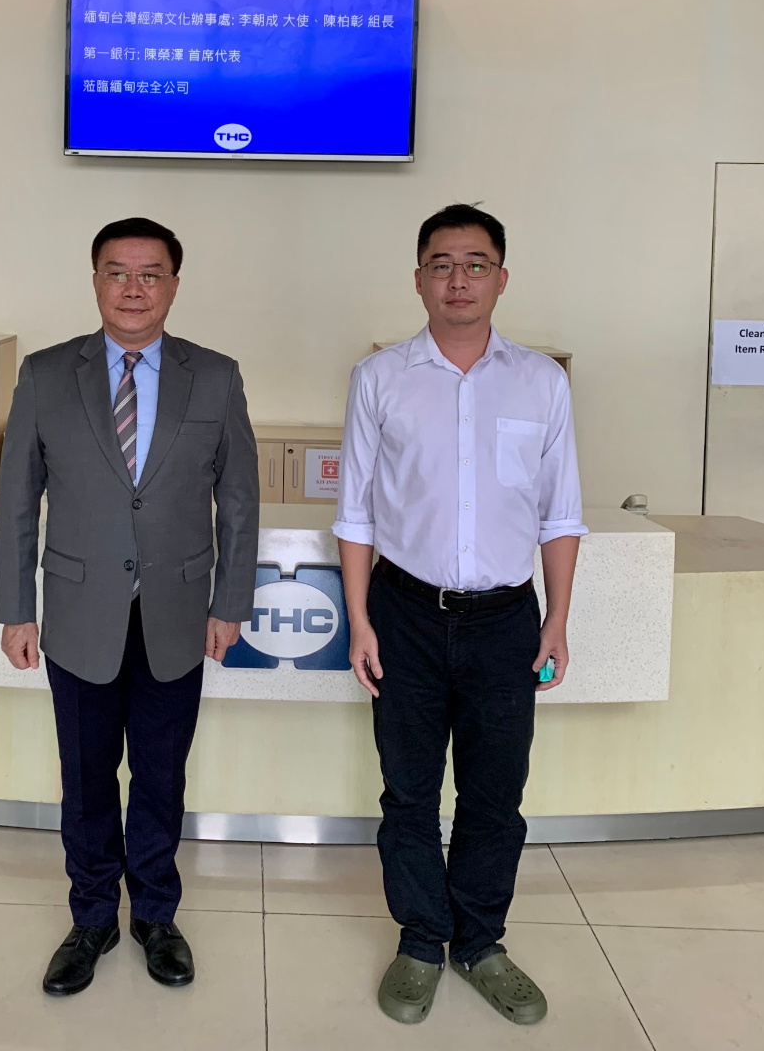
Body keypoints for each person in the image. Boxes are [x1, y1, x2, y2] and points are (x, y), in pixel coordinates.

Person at [334, 203, 586, 1027]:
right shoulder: (379, 378)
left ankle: (479, 943)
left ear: (500, 278)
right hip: (403, 612)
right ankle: (419, 941)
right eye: (441, 264)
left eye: (475, 264)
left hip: (506, 619)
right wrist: (360, 620)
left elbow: (559, 513)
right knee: (408, 793)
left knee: (493, 795)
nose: (458, 280)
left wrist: (556, 619)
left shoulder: (541, 382)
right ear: (418, 279)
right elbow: (356, 513)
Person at [0, 216, 259, 997]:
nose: (133, 288)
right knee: (85, 777)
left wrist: (230, 601)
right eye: (117, 272)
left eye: (150, 274)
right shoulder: (46, 374)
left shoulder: (215, 376)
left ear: (173, 285)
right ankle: (90, 919)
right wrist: (16, 608)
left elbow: (238, 501)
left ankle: (154, 915)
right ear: (95, 281)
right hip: (79, 614)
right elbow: (18, 500)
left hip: (177, 613)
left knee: (160, 775)